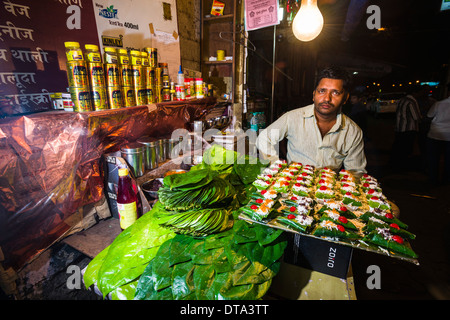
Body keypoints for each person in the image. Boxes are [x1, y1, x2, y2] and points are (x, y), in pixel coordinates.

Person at [255, 66, 367, 176]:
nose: (327, 98)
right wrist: (277, 168)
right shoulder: (292, 118)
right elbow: (264, 138)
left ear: (345, 98)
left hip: (327, 190)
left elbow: (356, 172)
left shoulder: (353, 132)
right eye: (322, 91)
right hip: (293, 189)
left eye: (335, 93)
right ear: (314, 95)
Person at [390, 86, 422, 170]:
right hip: (409, 129)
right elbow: (416, 117)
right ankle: (403, 166)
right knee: (406, 148)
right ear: (415, 93)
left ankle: (396, 164)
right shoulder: (412, 101)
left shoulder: (401, 100)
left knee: (399, 148)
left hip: (399, 128)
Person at [426, 84, 450, 185]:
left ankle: (433, 179)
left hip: (436, 134)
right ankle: (446, 180)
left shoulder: (439, 104)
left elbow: (429, 115)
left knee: (434, 159)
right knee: (448, 160)